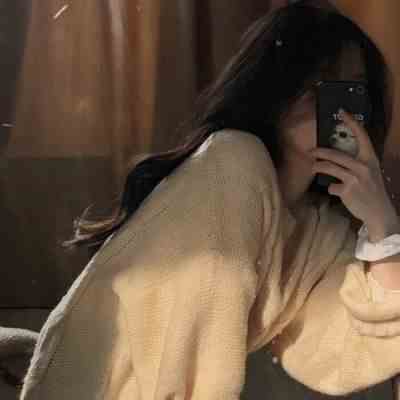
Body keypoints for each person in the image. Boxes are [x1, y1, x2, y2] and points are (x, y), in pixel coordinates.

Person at [19, 2, 400, 400]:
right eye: (318, 80)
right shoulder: (233, 160)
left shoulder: (317, 225)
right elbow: (182, 339)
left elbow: (357, 347)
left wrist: (382, 222)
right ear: (278, 84)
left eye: (351, 87)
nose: (335, 105)